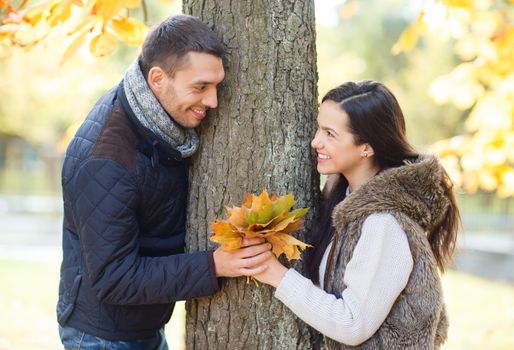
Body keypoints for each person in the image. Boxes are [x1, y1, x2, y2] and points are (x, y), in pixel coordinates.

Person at [57, 15, 272, 349]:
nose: (213, 101)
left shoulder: (157, 123)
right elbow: (114, 279)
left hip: (143, 324)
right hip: (103, 336)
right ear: (157, 79)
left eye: (217, 86)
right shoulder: (109, 161)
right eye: (200, 87)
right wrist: (213, 265)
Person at [251, 80, 459, 349]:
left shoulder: (383, 223)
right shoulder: (344, 200)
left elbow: (353, 324)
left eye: (330, 134)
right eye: (318, 128)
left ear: (367, 147)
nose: (315, 142)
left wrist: (275, 274)